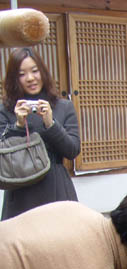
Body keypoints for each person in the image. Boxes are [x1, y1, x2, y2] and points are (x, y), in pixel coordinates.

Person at [0, 47, 81, 220]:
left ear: (43, 72)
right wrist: (18, 125)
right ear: (14, 79)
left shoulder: (63, 106)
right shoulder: (6, 110)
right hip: (20, 191)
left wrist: (51, 124)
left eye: (35, 71)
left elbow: (72, 150)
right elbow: (3, 154)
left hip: (56, 189)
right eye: (22, 74)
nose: (30, 78)